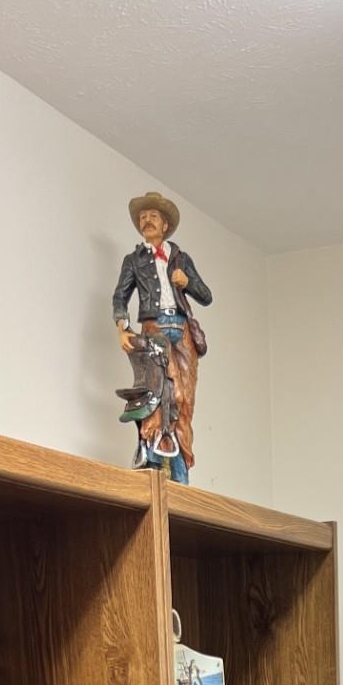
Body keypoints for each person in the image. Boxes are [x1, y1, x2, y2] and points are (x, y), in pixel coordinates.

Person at [113, 193, 212, 483]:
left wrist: (187, 281)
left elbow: (206, 295)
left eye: (153, 216)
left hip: (181, 331)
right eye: (143, 217)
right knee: (157, 395)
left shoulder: (181, 258)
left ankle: (181, 472)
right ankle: (154, 462)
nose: (147, 221)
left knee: (184, 400)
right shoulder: (133, 260)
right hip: (153, 329)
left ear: (165, 225)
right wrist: (122, 327)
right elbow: (120, 296)